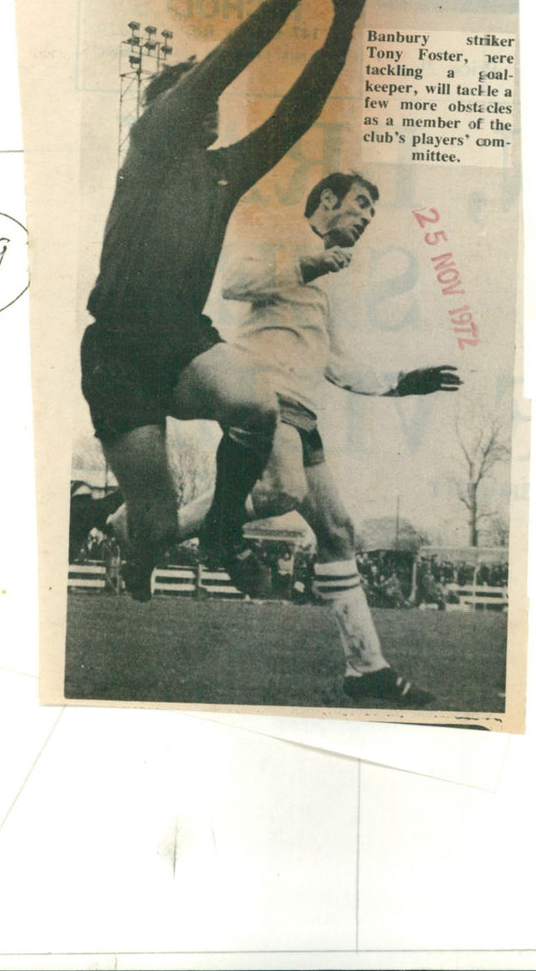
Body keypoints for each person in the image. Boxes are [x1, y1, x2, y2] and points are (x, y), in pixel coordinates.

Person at [80, 0, 385, 599]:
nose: (206, 93)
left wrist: (345, 17)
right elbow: (229, 57)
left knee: (254, 402)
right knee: (156, 524)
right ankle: (140, 543)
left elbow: (297, 113)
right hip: (118, 349)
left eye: (205, 89)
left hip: (182, 335)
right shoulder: (152, 146)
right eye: (192, 85)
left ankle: (221, 530)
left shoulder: (221, 174)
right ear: (163, 104)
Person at [218, 171, 461, 709]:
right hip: (263, 398)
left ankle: (365, 671)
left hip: (301, 413)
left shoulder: (327, 284)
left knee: (338, 533)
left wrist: (403, 383)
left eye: (372, 213)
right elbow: (232, 281)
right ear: (325, 199)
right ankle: (151, 521)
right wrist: (308, 263)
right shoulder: (286, 239)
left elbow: (339, 364)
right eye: (359, 205)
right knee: (282, 497)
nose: (366, 218)